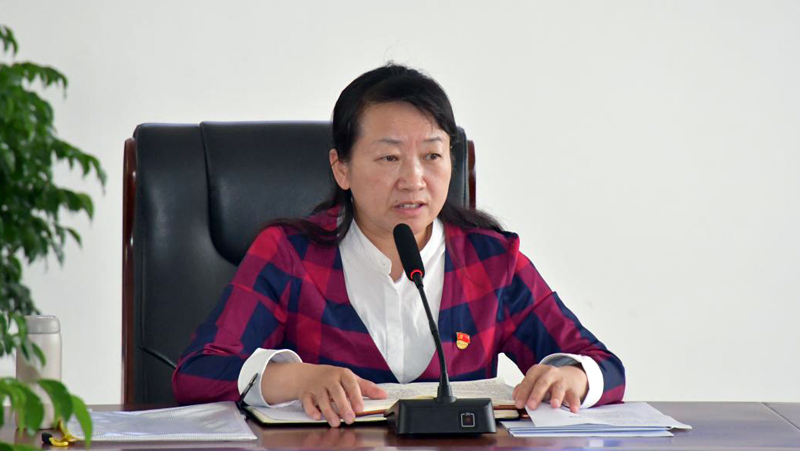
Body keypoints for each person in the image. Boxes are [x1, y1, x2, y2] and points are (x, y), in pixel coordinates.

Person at [172, 64, 625, 427]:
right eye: (389, 157)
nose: (414, 179)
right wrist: (294, 378)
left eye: (432, 155)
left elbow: (604, 366)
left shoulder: (492, 262)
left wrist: (572, 377)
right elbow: (196, 373)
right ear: (342, 169)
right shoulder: (291, 254)